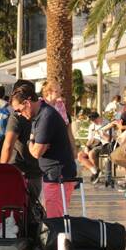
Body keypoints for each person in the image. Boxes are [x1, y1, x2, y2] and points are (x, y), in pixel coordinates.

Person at [16, 79, 78, 219]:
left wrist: (31, 143)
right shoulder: (41, 114)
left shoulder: (46, 116)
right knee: (58, 215)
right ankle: (61, 240)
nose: (19, 114)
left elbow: (37, 152)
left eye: (19, 110)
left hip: (57, 175)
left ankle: (59, 241)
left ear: (27, 103)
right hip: (55, 174)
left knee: (55, 219)